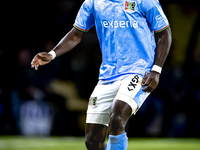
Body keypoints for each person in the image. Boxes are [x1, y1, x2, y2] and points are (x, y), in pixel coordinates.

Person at [31, 0, 172, 149]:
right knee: (92, 141)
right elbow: (75, 34)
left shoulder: (144, 1)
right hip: (107, 76)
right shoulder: (92, 3)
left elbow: (164, 32)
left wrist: (156, 70)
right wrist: (52, 54)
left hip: (139, 70)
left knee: (117, 114)